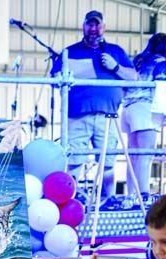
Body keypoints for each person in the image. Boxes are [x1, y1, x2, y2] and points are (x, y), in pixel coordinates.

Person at [51, 10, 137, 205]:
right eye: (90, 24)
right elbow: (54, 79)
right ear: (83, 26)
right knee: (74, 160)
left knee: (107, 162)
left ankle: (108, 200)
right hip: (77, 115)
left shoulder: (115, 51)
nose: (93, 28)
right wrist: (63, 76)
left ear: (104, 27)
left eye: (97, 24)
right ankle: (69, 201)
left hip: (108, 115)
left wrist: (115, 67)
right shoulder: (69, 51)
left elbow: (133, 78)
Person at [121, 33, 166, 200]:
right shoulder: (162, 64)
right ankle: (144, 195)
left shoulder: (138, 61)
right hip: (146, 107)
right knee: (145, 155)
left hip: (128, 108)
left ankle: (131, 195)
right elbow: (162, 92)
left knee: (134, 156)